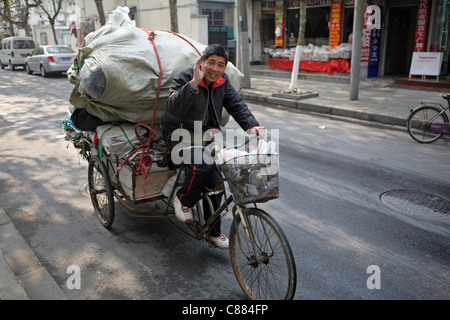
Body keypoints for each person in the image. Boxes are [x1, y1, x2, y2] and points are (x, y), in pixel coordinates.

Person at [161, 44, 265, 249]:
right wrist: (194, 83)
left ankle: (213, 232)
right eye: (211, 63)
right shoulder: (185, 77)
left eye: (221, 65)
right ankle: (182, 199)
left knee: (217, 182)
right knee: (204, 165)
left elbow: (236, 104)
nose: (215, 69)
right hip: (178, 135)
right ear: (202, 61)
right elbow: (173, 107)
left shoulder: (222, 82)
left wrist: (252, 126)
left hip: (204, 138)